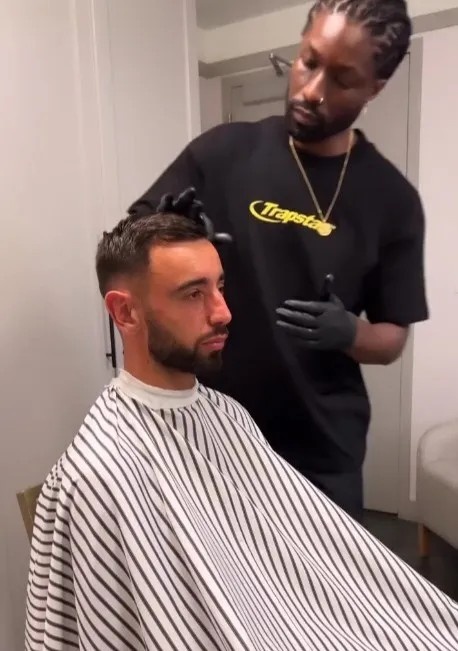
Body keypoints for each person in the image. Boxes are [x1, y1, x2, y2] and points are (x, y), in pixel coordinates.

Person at [26, 206, 457, 651]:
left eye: (220, 287)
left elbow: (294, 554)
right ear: (126, 312)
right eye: (194, 294)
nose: (223, 313)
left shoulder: (226, 413)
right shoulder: (99, 474)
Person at [128, 0, 429, 520]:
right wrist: (169, 237)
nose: (312, 90)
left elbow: (392, 338)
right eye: (308, 62)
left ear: (375, 88)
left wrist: (350, 333)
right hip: (211, 436)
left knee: (325, 575)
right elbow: (130, 242)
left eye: (342, 79)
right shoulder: (223, 151)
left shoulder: (392, 200)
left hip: (321, 451)